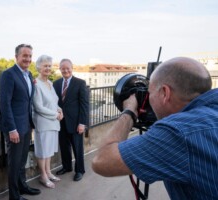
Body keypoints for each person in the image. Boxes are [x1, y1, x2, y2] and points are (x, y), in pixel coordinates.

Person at [92, 57, 218, 200]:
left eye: (150, 92)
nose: (148, 98)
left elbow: (101, 160)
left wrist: (129, 111)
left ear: (165, 93)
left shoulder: (177, 133)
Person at [0, 44, 41, 200]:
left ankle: (23, 186)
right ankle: (14, 196)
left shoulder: (28, 75)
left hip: (26, 125)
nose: (28, 59)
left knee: (22, 161)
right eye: (24, 56)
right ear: (16, 57)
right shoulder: (8, 75)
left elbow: (27, 99)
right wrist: (11, 129)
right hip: (15, 128)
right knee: (15, 163)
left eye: (30, 56)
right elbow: (5, 104)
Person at [53, 58, 89, 181]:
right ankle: (67, 167)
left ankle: (80, 170)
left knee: (77, 148)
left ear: (72, 68)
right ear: (60, 69)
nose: (66, 70)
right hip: (61, 122)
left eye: (68, 68)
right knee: (64, 147)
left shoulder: (80, 83)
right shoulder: (56, 84)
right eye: (63, 68)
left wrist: (82, 123)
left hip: (75, 123)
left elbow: (84, 105)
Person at [32, 55, 63, 189]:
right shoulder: (36, 84)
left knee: (49, 150)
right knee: (43, 151)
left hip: (53, 122)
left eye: (49, 65)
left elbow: (54, 101)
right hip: (43, 123)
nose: (48, 68)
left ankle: (49, 172)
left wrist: (60, 110)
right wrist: (55, 114)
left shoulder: (50, 83)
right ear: (39, 67)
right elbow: (38, 107)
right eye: (45, 65)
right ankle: (43, 176)